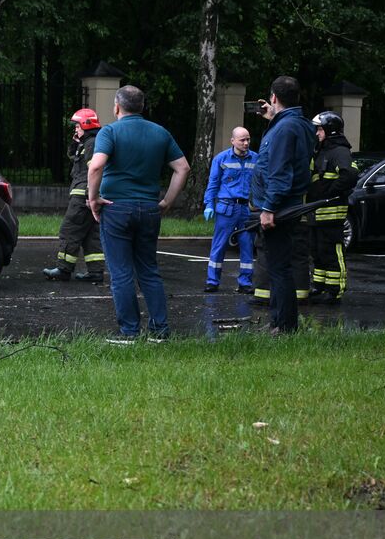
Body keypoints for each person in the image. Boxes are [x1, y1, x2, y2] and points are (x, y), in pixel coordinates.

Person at [86, 85, 190, 343]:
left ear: (117, 107)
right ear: (142, 107)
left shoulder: (109, 131)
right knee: (148, 270)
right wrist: (166, 202)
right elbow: (183, 168)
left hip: (116, 207)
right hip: (149, 207)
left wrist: (92, 199)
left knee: (121, 272)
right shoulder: (160, 133)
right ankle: (160, 330)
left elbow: (96, 166)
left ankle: (129, 332)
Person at [249, 75, 317, 335]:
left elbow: (280, 171)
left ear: (274, 98)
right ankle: (279, 321)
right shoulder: (298, 124)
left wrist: (268, 208)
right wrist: (272, 119)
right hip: (286, 203)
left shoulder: (286, 128)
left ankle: (285, 327)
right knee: (279, 265)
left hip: (278, 207)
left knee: (279, 268)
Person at [43, 108, 106, 283]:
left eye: (77, 126)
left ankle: (63, 269)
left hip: (83, 196)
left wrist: (89, 195)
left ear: (86, 125)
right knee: (90, 235)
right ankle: (95, 272)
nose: (75, 129)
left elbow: (95, 170)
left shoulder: (91, 143)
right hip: (86, 196)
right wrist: (75, 142)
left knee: (69, 230)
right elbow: (74, 157)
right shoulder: (87, 143)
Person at [307, 111, 358, 302]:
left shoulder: (339, 152)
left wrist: (329, 192)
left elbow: (350, 176)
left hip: (332, 213)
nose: (317, 133)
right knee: (317, 251)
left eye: (320, 129)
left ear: (330, 130)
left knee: (332, 252)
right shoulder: (321, 151)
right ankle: (320, 286)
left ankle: (335, 290)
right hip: (316, 212)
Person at [202, 127, 258, 293]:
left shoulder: (256, 158)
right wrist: (209, 204)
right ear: (232, 141)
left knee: (247, 245)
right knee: (219, 245)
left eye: (248, 139)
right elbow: (213, 183)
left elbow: (261, 183)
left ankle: (245, 283)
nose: (246, 143)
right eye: (242, 140)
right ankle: (212, 281)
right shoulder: (221, 159)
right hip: (227, 208)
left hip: (246, 209)